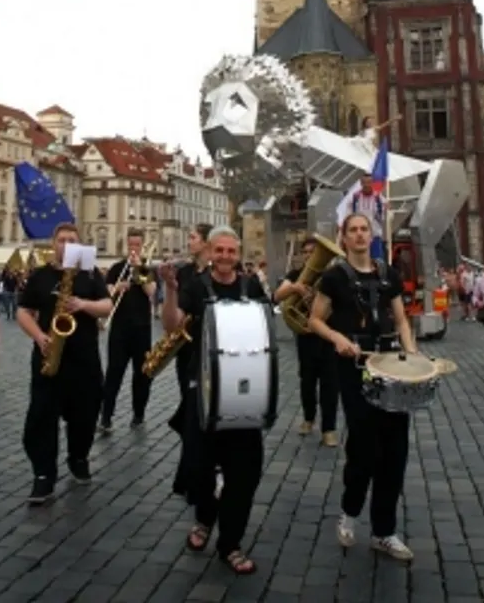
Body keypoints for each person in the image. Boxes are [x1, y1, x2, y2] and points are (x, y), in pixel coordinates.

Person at [160, 226, 268, 576]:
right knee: (200, 467)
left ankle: (231, 543)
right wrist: (171, 291)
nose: (224, 257)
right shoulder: (194, 284)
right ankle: (204, 519)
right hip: (202, 387)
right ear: (209, 251)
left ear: (238, 254)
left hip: (243, 390)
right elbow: (172, 326)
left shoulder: (250, 286)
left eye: (230, 251)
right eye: (218, 250)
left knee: (244, 473)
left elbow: (266, 327)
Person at [309, 213, 416, 562]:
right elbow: (314, 319)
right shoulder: (334, 277)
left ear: (371, 235)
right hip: (354, 369)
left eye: (363, 229)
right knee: (364, 447)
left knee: (396, 449)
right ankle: (350, 511)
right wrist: (337, 337)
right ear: (344, 237)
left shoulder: (388, 275)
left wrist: (412, 356)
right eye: (352, 230)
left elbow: (400, 320)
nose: (358, 234)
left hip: (390, 368)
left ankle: (384, 532)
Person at [16, 222, 113, 505]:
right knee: (42, 416)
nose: (67, 245)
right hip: (49, 356)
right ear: (54, 244)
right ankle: (43, 476)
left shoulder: (90, 274)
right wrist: (38, 336)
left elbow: (107, 306)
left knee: (86, 413)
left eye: (73, 240)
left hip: (84, 358)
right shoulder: (41, 276)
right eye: (62, 240)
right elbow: (23, 311)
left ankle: (78, 456)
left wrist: (83, 305)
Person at [274, 237, 338, 445]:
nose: (310, 255)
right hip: (306, 337)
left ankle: (329, 429)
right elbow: (277, 296)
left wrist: (317, 301)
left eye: (314, 252)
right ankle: (308, 418)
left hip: (328, 336)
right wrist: (295, 288)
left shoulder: (331, 277)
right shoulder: (295, 275)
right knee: (307, 381)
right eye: (307, 252)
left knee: (330, 383)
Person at [100, 228, 157, 433]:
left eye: (137, 245)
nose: (134, 248)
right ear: (127, 244)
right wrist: (119, 286)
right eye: (131, 244)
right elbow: (107, 294)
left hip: (142, 328)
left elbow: (151, 292)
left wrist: (139, 270)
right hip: (120, 329)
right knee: (114, 373)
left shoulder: (146, 268)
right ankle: (106, 417)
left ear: (142, 246)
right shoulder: (116, 268)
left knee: (142, 375)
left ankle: (138, 414)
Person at [173, 223, 212, 397]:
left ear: (205, 243)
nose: (189, 242)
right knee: (186, 391)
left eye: (193, 238)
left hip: (208, 340)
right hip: (185, 342)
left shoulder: (216, 271)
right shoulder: (184, 272)